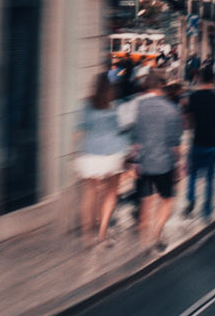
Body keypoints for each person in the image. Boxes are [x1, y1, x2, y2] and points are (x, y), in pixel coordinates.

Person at [131, 72, 183, 249]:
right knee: (167, 199)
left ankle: (144, 239)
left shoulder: (138, 107)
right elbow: (175, 143)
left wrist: (134, 161)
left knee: (145, 200)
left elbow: (135, 138)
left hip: (143, 162)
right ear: (161, 87)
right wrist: (178, 164)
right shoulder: (171, 109)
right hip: (164, 163)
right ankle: (156, 234)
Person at [74, 72, 127, 246]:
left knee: (89, 194)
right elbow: (121, 129)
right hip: (112, 153)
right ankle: (102, 233)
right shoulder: (115, 106)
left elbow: (79, 129)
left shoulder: (86, 105)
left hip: (90, 153)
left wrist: (75, 152)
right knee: (111, 193)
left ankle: (87, 236)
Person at [182, 63, 215, 222]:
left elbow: (188, 121)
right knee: (210, 179)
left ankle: (191, 199)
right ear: (213, 80)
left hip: (197, 142)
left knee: (192, 174)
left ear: (200, 79)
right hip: (213, 143)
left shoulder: (193, 97)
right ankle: (207, 211)